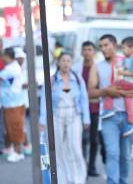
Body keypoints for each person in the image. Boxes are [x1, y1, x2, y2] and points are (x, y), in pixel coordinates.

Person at [88, 34, 133, 184]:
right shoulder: (97, 66)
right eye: (101, 46)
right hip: (108, 117)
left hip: (128, 115)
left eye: (106, 45)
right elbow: (91, 92)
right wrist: (106, 92)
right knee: (112, 154)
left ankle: (123, 181)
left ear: (114, 45)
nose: (103, 49)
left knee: (125, 155)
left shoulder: (126, 61)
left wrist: (124, 93)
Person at [40, 52, 90, 184]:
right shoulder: (52, 80)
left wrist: (86, 119)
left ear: (71, 63)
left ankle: (78, 178)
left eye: (68, 60)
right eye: (63, 60)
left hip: (74, 115)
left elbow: (84, 99)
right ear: (58, 62)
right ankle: (62, 179)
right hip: (57, 116)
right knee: (59, 150)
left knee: (75, 148)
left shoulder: (77, 79)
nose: (66, 63)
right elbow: (45, 100)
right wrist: (42, 120)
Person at [72, 41, 106, 177]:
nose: (87, 52)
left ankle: (91, 167)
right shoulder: (76, 68)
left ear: (94, 52)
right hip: (80, 109)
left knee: (94, 140)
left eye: (90, 49)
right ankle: (82, 167)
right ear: (81, 52)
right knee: (82, 139)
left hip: (96, 108)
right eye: (85, 49)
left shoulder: (99, 68)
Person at [0, 48, 27, 162]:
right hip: (9, 104)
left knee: (15, 128)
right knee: (11, 128)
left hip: (14, 104)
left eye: (3, 56)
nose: (1, 58)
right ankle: (12, 149)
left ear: (8, 56)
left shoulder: (12, 68)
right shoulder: (10, 67)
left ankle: (18, 153)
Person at [100, 36, 133, 137]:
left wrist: (122, 72)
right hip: (130, 84)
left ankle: (107, 110)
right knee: (127, 99)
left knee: (110, 88)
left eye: (125, 48)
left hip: (128, 83)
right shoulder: (128, 59)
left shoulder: (127, 59)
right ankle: (131, 123)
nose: (103, 49)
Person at [14, 47, 32, 156]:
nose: (21, 60)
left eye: (22, 58)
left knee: (21, 125)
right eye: (19, 58)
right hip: (15, 102)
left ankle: (26, 145)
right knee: (19, 125)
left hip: (22, 102)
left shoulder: (24, 70)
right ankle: (23, 145)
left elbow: (28, 84)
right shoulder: (14, 69)